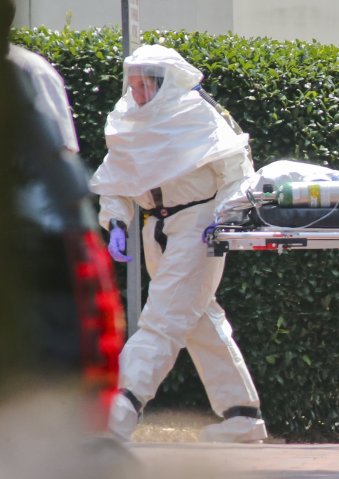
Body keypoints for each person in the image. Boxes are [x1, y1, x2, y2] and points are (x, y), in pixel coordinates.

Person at [89, 44, 267, 443]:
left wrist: (224, 216)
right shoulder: (128, 120)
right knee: (199, 320)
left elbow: (236, 172)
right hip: (156, 227)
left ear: (164, 82)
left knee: (162, 321)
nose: (136, 92)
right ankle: (243, 416)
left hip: (197, 225)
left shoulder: (196, 115)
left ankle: (119, 410)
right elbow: (116, 177)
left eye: (144, 84)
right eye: (131, 83)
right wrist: (116, 221)